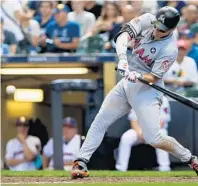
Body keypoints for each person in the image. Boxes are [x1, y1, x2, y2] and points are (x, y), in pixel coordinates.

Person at [71, 6, 198, 179]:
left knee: (154, 138)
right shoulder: (147, 19)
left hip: (146, 91)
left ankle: (190, 158)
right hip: (125, 85)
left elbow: (153, 77)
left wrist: (138, 75)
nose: (156, 30)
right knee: (100, 120)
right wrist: (123, 58)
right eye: (156, 25)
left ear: (172, 29)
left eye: (161, 29)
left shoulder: (170, 49)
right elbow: (123, 35)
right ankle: (81, 161)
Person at [116, 96, 171, 172]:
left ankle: (164, 168)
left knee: (162, 136)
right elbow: (133, 120)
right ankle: (121, 168)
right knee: (126, 137)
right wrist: (140, 132)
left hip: (156, 131)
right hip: (140, 131)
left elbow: (161, 121)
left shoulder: (163, 99)